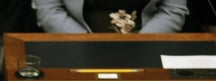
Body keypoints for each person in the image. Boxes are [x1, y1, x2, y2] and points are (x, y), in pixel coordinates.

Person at [31, 0, 189, 33]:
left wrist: (144, 43)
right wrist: (82, 43)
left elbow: (173, 10)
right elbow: (50, 9)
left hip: (148, 42)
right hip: (76, 42)